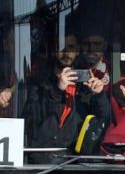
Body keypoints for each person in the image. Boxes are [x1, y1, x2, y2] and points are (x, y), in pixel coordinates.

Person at [24, 32, 110, 162]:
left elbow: (104, 119)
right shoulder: (39, 81)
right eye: (61, 47)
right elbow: (30, 117)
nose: (66, 52)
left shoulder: (86, 81)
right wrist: (57, 90)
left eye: (70, 47)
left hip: (74, 161)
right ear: (54, 51)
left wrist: (99, 94)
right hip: (41, 159)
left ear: (77, 52)